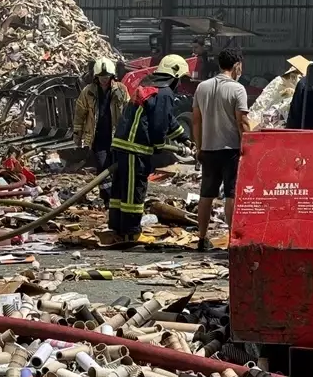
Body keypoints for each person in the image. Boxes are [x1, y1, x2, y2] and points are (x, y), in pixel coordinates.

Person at [107, 54, 188, 240]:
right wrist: (160, 146)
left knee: (120, 189)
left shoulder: (149, 85)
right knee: (134, 190)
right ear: (175, 75)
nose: (180, 84)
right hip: (136, 148)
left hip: (122, 144)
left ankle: (118, 228)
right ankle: (131, 232)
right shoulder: (165, 92)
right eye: (181, 79)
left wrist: (184, 139)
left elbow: (167, 119)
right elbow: (159, 124)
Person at [192, 48, 250, 252]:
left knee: (206, 195)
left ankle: (201, 238)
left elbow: (196, 121)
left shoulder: (202, 88)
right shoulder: (238, 89)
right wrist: (247, 148)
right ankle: (233, 239)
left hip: (208, 149)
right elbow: (242, 122)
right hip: (231, 150)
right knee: (231, 195)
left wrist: (199, 147)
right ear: (237, 66)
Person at [73, 57, 129, 208]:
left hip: (116, 137)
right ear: (95, 77)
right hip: (97, 138)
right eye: (101, 77)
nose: (104, 80)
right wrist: (77, 135)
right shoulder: (88, 92)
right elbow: (80, 113)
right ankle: (107, 199)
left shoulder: (121, 90)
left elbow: (128, 111)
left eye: (107, 77)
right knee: (103, 168)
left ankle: (115, 197)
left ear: (112, 76)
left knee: (115, 168)